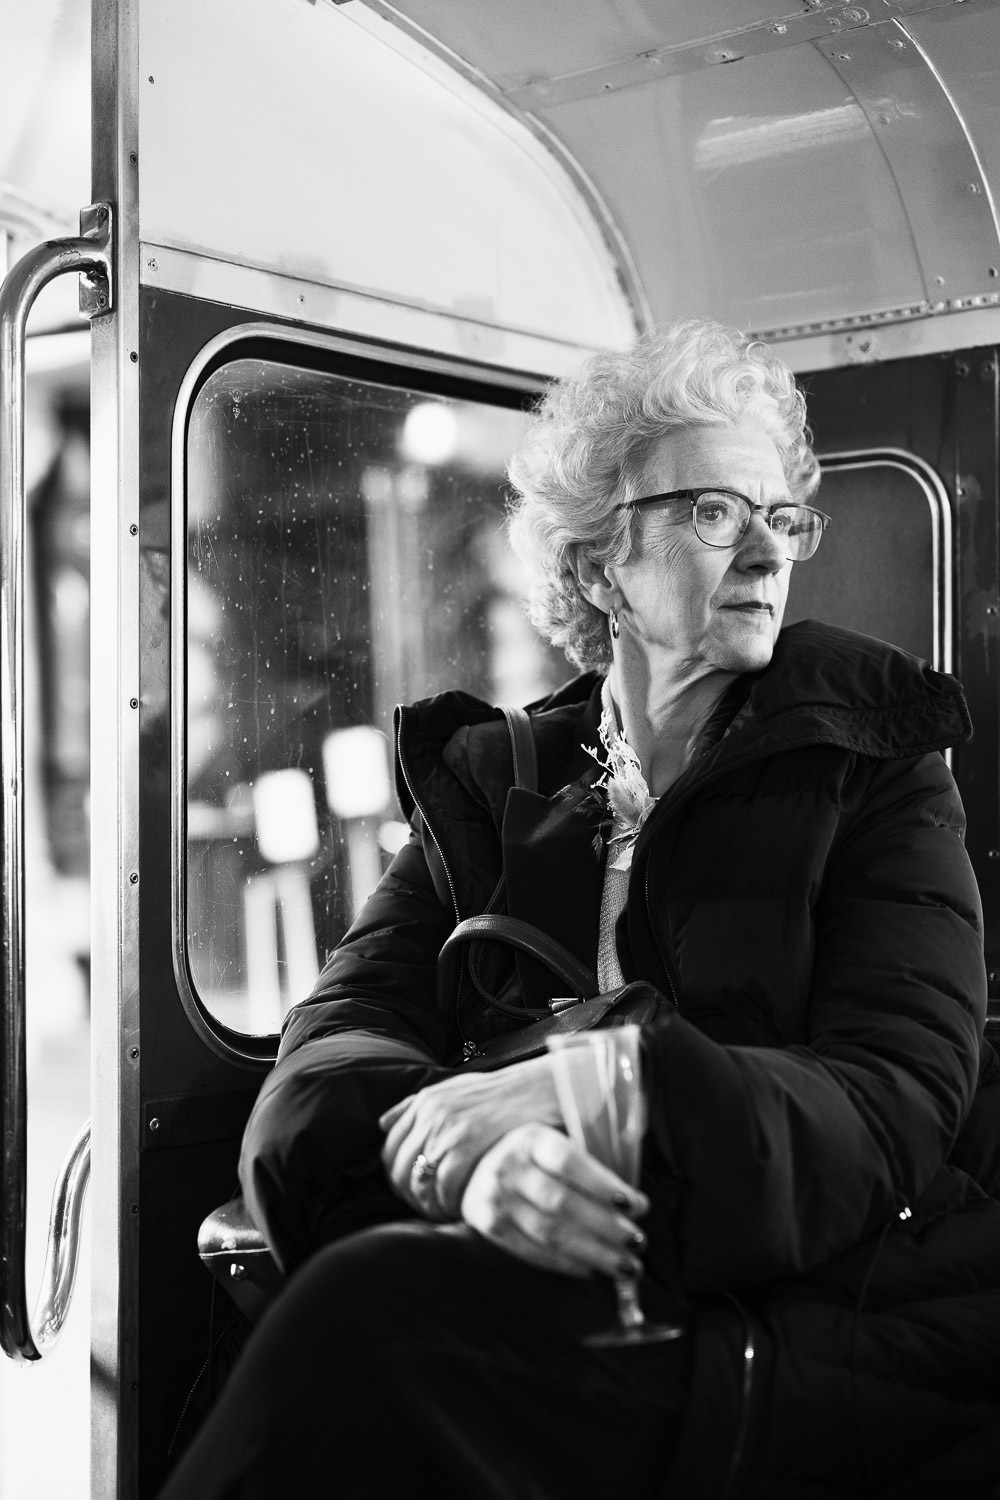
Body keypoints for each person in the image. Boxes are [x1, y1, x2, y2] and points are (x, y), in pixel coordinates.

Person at [160, 320, 1000, 1499]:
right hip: (560, 1299)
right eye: (716, 511)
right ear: (602, 564)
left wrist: (598, 1088)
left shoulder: (872, 763)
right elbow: (326, 1053)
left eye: (783, 517)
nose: (767, 551)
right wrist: (455, 1166)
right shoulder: (503, 779)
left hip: (804, 1319)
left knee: (372, 1326)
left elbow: (895, 1102)